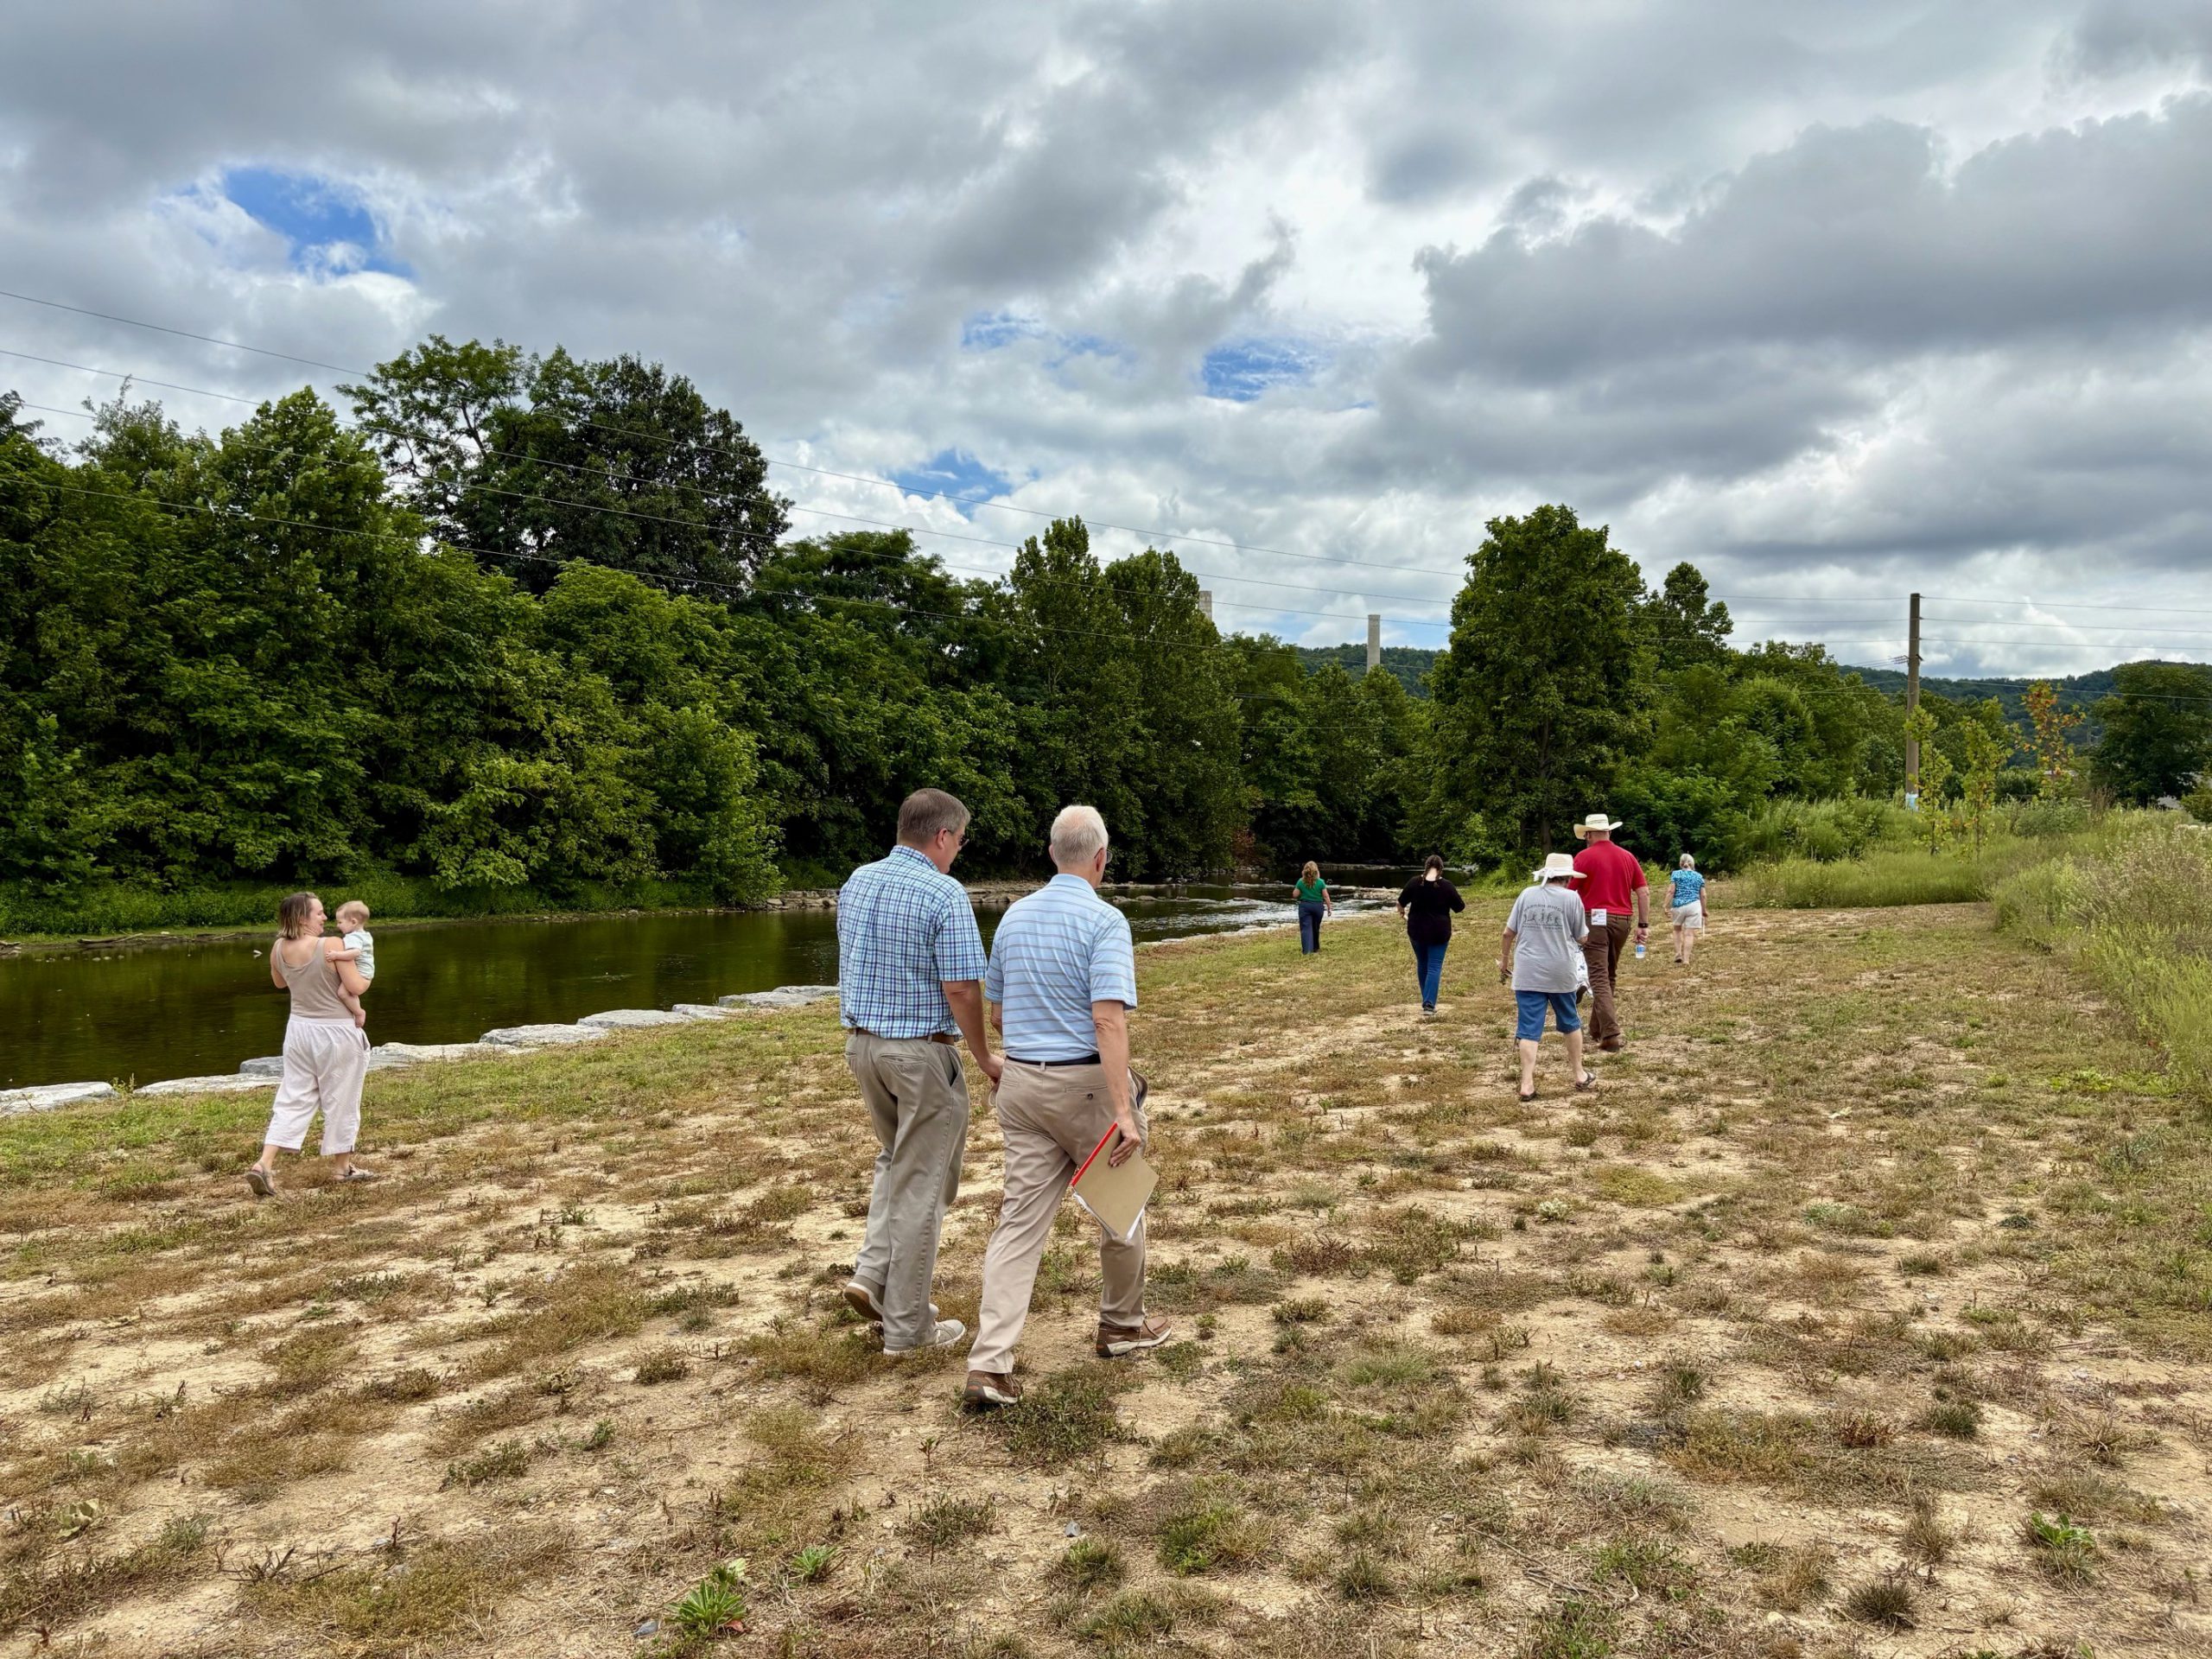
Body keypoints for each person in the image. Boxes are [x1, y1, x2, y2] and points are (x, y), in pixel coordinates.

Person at [964, 805, 1170, 1408]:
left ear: (1052, 854)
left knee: (1019, 1225)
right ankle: (1122, 1324)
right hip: (1084, 1087)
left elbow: (999, 1014)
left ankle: (989, 1364)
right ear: (1100, 859)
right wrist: (1123, 1111)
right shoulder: (1104, 922)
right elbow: (1107, 1020)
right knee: (1121, 1205)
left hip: (1023, 1085)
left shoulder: (1013, 919)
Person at [836, 789, 1001, 1357]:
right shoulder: (943, 893)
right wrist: (982, 1056)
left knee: (897, 1161)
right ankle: (909, 1329)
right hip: (920, 1056)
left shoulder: (858, 880)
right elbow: (960, 987)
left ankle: (872, 1272)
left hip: (863, 1048)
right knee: (925, 1185)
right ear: (941, 836)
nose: (958, 850)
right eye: (959, 840)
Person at [244, 892, 376, 1198]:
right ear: (303, 918)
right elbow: (355, 986)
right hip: (336, 1032)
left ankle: (264, 1163)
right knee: (341, 1097)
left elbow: (280, 983)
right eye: (319, 913)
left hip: (299, 1031)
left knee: (294, 1096)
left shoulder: (278, 947)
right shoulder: (331, 945)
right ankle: (343, 1168)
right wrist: (368, 975)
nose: (325, 918)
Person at [1500, 854, 1596, 1102]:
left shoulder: (1526, 894)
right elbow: (1581, 936)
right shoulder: (1571, 898)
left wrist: (1505, 960)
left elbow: (1508, 932)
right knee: (1570, 1021)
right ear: (1567, 877)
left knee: (1529, 1027)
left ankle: (1526, 1083)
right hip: (1560, 970)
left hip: (1527, 971)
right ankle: (1579, 1074)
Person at [1570, 812, 1649, 1053]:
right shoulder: (1627, 856)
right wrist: (1643, 925)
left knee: (1598, 976)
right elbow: (1643, 892)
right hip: (1623, 919)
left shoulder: (1583, 858)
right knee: (1609, 974)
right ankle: (1598, 1030)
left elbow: (1570, 893)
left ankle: (1611, 1032)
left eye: (1586, 835)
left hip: (1593, 918)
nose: (1586, 839)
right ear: (1609, 832)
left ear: (1591, 834)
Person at [1396, 855, 1465, 1015]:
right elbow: (1460, 907)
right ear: (1441, 869)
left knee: (1422, 964)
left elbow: (1400, 903)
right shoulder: (1446, 886)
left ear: (1425, 867)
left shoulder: (1414, 882)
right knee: (1434, 966)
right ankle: (1428, 1004)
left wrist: (1401, 912)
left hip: (1416, 930)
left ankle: (1427, 1000)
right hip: (1439, 932)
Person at [331, 899, 375, 1027]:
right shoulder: (365, 935)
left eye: (340, 922)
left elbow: (354, 953)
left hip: (361, 972)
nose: (338, 926)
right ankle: (357, 1011)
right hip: (367, 971)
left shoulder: (353, 937)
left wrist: (336, 955)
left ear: (353, 922)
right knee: (350, 993)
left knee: (343, 993)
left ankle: (359, 1012)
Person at [1669, 854, 1708, 965]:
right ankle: (1686, 960)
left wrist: (1665, 905)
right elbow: (1703, 895)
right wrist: (1704, 910)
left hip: (1678, 906)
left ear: (1681, 863)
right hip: (1694, 906)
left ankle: (1678, 954)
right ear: (1692, 864)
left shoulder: (1675, 874)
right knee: (1689, 934)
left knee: (1677, 930)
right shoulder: (1699, 876)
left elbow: (1671, 891)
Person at [1293, 861, 1332, 955]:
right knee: (1315, 927)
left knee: (1306, 928)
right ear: (1316, 871)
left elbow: (1295, 895)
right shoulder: (1321, 882)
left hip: (1305, 906)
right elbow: (1326, 896)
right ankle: (1315, 948)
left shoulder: (1301, 881)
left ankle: (1307, 950)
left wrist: (1302, 891)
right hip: (1318, 907)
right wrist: (1329, 908)